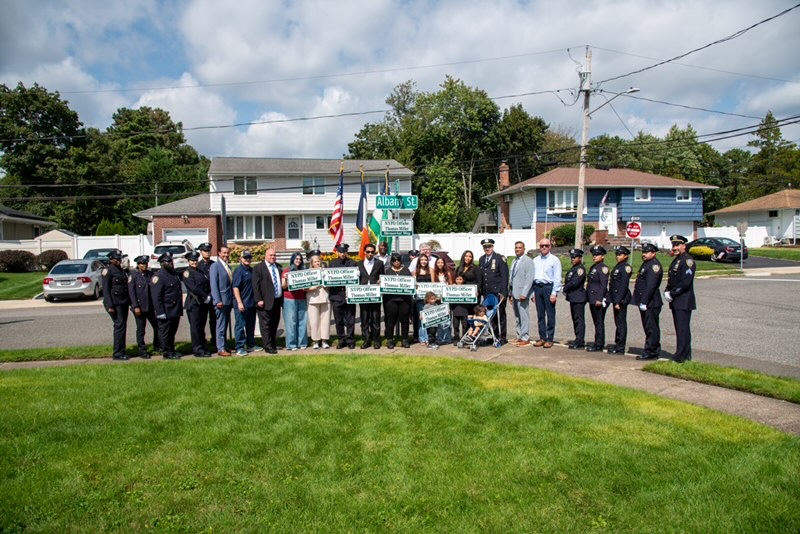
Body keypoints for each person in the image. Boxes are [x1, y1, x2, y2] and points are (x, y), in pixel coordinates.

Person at [665, 234, 696, 363]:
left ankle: (680, 356)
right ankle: (685, 355)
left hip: (683, 300)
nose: (675, 248)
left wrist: (673, 293)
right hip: (677, 300)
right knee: (680, 329)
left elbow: (685, 282)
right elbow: (672, 279)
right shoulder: (677, 260)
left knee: (682, 329)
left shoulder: (687, 260)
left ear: (684, 246)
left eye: (677, 245)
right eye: (673, 245)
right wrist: (667, 290)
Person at [632, 242, 664, 361]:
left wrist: (644, 301)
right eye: (643, 252)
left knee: (651, 328)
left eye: (646, 252)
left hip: (651, 302)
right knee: (648, 327)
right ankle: (651, 349)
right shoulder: (647, 264)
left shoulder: (654, 266)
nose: (644, 254)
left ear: (653, 253)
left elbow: (651, 286)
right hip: (646, 301)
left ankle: (651, 351)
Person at [150, 253, 183, 360]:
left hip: (174, 309)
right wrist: (160, 312)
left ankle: (171, 350)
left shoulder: (173, 274)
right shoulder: (158, 276)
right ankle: (166, 352)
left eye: (171, 261)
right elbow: (156, 296)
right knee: (165, 332)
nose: (171, 263)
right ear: (162, 263)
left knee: (172, 332)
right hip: (165, 309)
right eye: (168, 262)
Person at [531, 238, 562, 348]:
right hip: (537, 287)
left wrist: (554, 293)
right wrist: (533, 293)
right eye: (542, 245)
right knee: (540, 315)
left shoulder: (554, 260)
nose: (544, 247)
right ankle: (542, 337)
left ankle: (550, 338)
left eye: (546, 245)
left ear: (550, 247)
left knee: (550, 314)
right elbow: (532, 277)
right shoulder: (535, 260)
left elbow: (557, 278)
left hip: (548, 287)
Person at [128, 255, 160, 358]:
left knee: (157, 326)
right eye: (142, 264)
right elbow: (131, 293)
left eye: (145, 264)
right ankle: (142, 350)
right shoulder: (133, 276)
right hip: (140, 307)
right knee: (141, 329)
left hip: (150, 306)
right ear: (138, 265)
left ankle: (157, 345)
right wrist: (135, 306)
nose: (144, 266)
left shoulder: (150, 274)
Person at [182, 251, 213, 358]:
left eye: (196, 260)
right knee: (195, 328)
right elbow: (193, 288)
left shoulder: (200, 271)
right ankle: (197, 349)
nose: (194, 262)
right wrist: (205, 296)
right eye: (192, 260)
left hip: (203, 303)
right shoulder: (187, 273)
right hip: (194, 303)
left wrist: (208, 295)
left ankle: (203, 346)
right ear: (188, 261)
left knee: (201, 327)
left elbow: (207, 284)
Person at [253, 247, 284, 354]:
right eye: (270, 255)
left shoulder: (278, 267)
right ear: (265, 256)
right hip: (264, 302)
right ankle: (268, 346)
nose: (273, 257)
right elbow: (255, 286)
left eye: (274, 255)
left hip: (277, 300)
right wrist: (258, 299)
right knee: (265, 325)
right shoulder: (258, 268)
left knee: (274, 323)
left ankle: (273, 343)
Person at [101, 249, 130, 360]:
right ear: (111, 259)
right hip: (115, 303)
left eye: (120, 259)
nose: (119, 260)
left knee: (122, 326)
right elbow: (106, 289)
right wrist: (110, 306)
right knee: (119, 326)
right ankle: (117, 353)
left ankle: (122, 351)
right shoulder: (108, 271)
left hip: (123, 302)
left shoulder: (121, 270)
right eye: (117, 259)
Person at [479, 238, 509, 344]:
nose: (487, 249)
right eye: (485, 247)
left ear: (492, 247)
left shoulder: (500, 258)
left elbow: (504, 276)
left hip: (498, 293)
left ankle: (502, 337)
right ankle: (493, 336)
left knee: (500, 315)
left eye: (489, 246)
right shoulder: (482, 259)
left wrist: (504, 292)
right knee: (490, 316)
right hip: (487, 292)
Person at [328, 243, 357, 349]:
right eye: (340, 252)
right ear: (337, 252)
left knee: (350, 320)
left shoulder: (352, 263)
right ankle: (341, 340)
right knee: (338, 320)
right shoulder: (332, 263)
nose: (343, 254)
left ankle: (350, 340)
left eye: (344, 251)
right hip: (336, 295)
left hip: (349, 295)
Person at [382, 252, 412, 349]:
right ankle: (390, 340)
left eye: (398, 260)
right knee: (390, 321)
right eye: (394, 260)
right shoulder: (388, 271)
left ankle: (405, 339)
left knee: (405, 320)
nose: (396, 262)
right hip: (391, 300)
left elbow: (411, 283)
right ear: (391, 261)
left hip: (404, 300)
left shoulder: (406, 270)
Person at [232, 250, 258, 356]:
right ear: (241, 259)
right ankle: (239, 347)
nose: (248, 260)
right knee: (240, 326)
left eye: (249, 258)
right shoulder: (239, 271)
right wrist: (239, 302)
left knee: (250, 326)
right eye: (245, 258)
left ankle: (251, 344)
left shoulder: (252, 270)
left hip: (251, 303)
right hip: (242, 303)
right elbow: (235, 287)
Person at [508, 241, 534, 346]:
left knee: (524, 316)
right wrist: (510, 293)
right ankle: (519, 335)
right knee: (517, 316)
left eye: (520, 247)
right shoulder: (514, 260)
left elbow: (529, 279)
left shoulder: (528, 261)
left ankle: (525, 337)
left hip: (522, 294)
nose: (517, 249)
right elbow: (512, 278)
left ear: (524, 249)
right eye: (516, 247)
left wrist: (525, 293)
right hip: (514, 293)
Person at [358, 243, 384, 349]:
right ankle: (366, 340)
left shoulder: (379, 263)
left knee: (375, 317)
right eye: (368, 252)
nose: (370, 254)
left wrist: (380, 281)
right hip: (363, 295)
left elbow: (382, 277)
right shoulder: (358, 264)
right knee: (364, 318)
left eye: (372, 252)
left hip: (375, 295)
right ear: (364, 252)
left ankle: (376, 340)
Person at [281, 252, 309, 351]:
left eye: (300, 259)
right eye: (296, 259)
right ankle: (291, 344)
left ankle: (302, 343)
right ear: (292, 259)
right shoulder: (287, 271)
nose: (298, 261)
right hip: (290, 299)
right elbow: (283, 286)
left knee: (302, 321)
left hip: (302, 298)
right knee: (291, 322)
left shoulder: (303, 271)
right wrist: (285, 279)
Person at [608, 246, 633, 354]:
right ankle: (618, 344)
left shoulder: (626, 267)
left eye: (620, 255)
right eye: (617, 255)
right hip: (616, 298)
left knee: (621, 323)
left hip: (621, 299)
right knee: (618, 322)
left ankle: (620, 347)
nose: (618, 256)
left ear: (626, 256)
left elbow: (623, 286)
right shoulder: (619, 266)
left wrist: (618, 301)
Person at [209, 245, 233, 357]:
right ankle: (220, 348)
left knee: (225, 325)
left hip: (228, 301)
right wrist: (217, 300)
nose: (226, 255)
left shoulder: (228, 266)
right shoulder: (215, 266)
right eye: (224, 253)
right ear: (219, 253)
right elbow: (213, 284)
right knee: (221, 325)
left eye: (227, 253)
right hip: (220, 302)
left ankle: (224, 345)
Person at [563, 248, 588, 349]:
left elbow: (574, 283)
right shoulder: (573, 268)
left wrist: (565, 288)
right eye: (572, 257)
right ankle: (577, 338)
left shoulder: (580, 269)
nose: (573, 259)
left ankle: (580, 341)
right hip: (573, 297)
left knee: (579, 320)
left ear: (580, 258)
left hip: (578, 297)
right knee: (575, 319)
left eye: (575, 257)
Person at [586, 245, 609, 352]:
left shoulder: (603, 268)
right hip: (592, 298)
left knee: (599, 321)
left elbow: (603, 285)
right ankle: (597, 342)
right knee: (596, 321)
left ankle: (599, 344)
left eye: (597, 255)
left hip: (598, 299)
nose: (594, 257)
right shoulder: (594, 267)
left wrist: (599, 298)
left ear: (602, 256)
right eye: (593, 255)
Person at [305, 254, 331, 349]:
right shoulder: (307, 273)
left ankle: (324, 340)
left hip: (325, 298)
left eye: (318, 261)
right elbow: (303, 287)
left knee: (325, 320)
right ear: (312, 263)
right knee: (314, 321)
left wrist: (326, 285)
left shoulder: (325, 271)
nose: (317, 263)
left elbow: (332, 283)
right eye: (315, 262)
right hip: (313, 299)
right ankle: (315, 341)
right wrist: (310, 288)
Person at [196, 242, 216, 343]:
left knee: (214, 320)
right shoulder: (198, 266)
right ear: (201, 252)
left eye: (209, 251)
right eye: (205, 251)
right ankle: (202, 340)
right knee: (201, 320)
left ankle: (215, 339)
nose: (207, 252)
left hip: (214, 296)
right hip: (203, 297)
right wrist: (205, 295)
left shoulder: (214, 264)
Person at [413, 253, 433, 346]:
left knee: (429, 318)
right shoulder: (415, 271)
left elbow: (434, 284)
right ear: (419, 261)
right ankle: (422, 338)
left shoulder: (431, 270)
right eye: (422, 260)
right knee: (421, 318)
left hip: (429, 299)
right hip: (419, 299)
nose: (423, 261)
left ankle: (429, 338)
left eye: (425, 260)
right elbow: (413, 284)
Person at [450, 274, 471, 344]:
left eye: (460, 279)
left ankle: (464, 338)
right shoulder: (452, 287)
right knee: (455, 325)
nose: (459, 281)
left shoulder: (467, 288)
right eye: (457, 279)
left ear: (463, 280)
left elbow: (471, 296)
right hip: (455, 309)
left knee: (465, 325)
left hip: (464, 309)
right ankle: (457, 338)